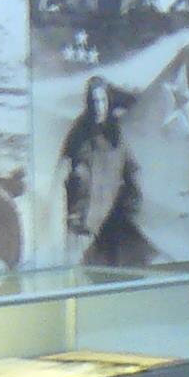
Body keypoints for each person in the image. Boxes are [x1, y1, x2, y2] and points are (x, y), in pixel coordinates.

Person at [60, 77, 129, 248]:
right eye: (95, 101)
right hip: (82, 226)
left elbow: (129, 172)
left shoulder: (117, 133)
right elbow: (69, 175)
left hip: (111, 223)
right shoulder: (79, 134)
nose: (99, 107)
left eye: (102, 100)